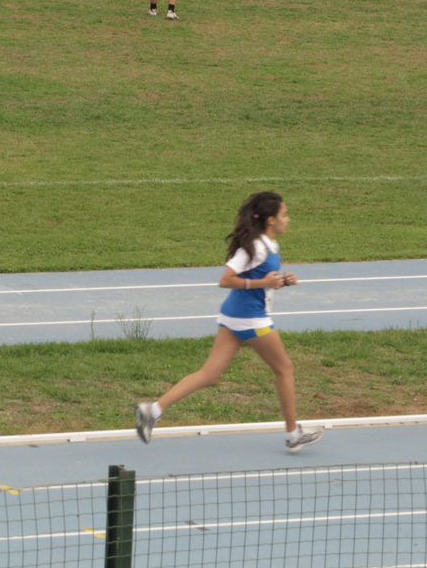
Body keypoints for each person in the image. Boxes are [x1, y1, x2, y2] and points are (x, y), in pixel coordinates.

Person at [135, 191, 324, 453]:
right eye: (284, 214)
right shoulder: (256, 247)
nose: (288, 219)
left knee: (210, 374)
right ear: (270, 220)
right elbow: (226, 280)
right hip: (250, 318)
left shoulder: (270, 246)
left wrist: (280, 281)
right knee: (285, 370)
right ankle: (293, 434)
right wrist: (264, 282)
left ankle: (152, 410)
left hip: (235, 316)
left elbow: (258, 282)